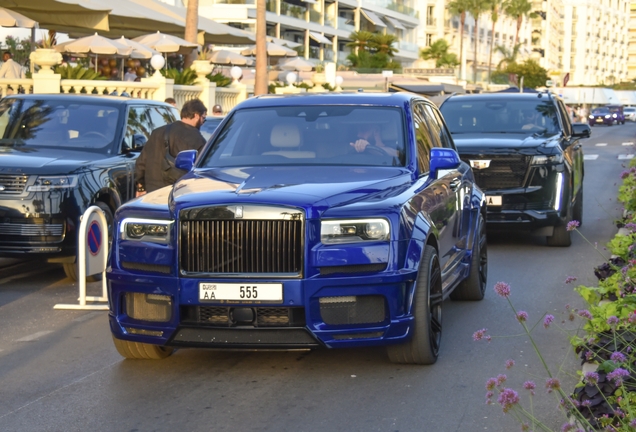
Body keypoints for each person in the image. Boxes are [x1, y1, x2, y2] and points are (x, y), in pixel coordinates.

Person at [135, 99, 207, 195]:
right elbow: (202, 170)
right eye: (203, 118)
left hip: (152, 194)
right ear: (196, 116)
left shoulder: (157, 132)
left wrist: (141, 188)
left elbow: (141, 163)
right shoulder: (197, 139)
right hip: (178, 194)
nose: (203, 122)